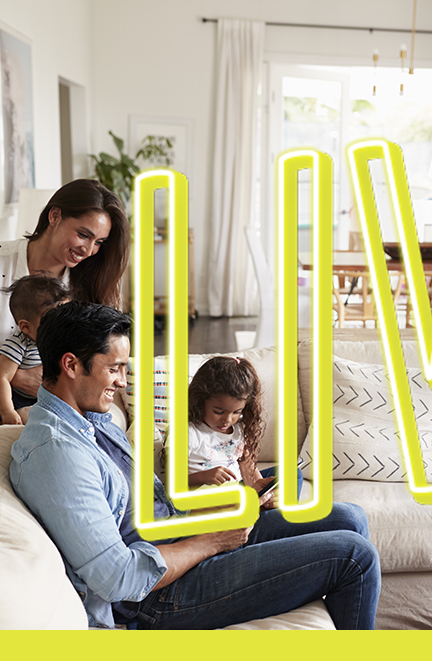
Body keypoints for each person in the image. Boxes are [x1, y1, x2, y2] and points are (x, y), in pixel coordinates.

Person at [9, 302, 380, 630]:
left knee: (350, 518)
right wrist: (210, 541)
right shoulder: (58, 455)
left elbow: (154, 505)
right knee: (355, 556)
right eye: (116, 369)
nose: (122, 382)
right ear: (71, 365)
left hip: (179, 537)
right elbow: (117, 578)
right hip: (158, 596)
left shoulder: (94, 420)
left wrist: (217, 508)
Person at [0, 179, 130, 400]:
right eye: (83, 235)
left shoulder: (91, 284)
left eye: (99, 242)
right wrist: (17, 377)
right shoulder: (4, 261)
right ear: (55, 216)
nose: (89, 250)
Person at [171, 355, 303, 503]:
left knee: (293, 474)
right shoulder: (189, 433)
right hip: (213, 502)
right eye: (218, 411)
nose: (227, 420)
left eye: (236, 412)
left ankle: (265, 515)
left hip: (241, 494)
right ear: (200, 400)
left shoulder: (238, 429)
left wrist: (263, 494)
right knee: (333, 516)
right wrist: (204, 476)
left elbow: (250, 473)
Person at [0, 275, 69, 424]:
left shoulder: (62, 340)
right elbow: (2, 378)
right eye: (52, 322)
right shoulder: (18, 344)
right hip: (20, 400)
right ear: (25, 326)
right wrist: (7, 411)